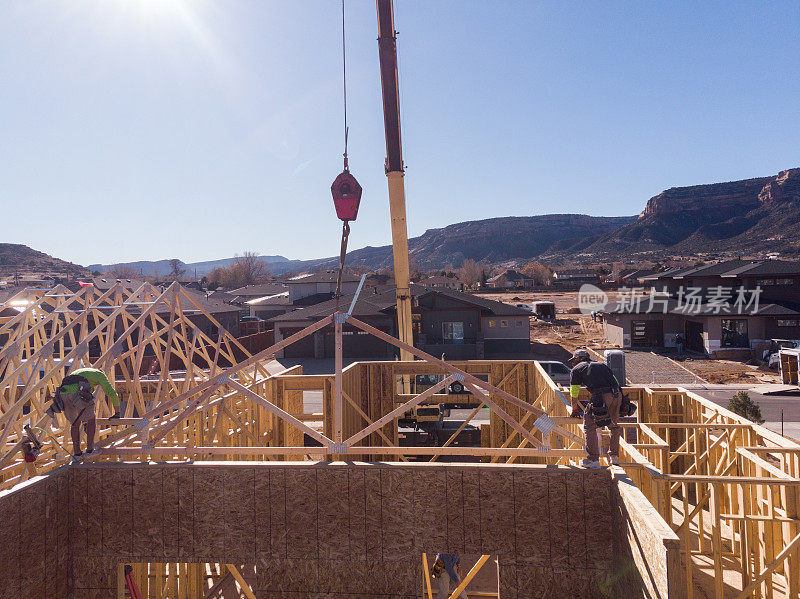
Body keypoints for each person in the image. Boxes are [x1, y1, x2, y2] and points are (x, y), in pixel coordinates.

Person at [48, 367, 120, 459]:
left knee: (75, 423)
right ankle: (90, 451)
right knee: (91, 420)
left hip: (63, 394)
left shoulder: (80, 371)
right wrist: (117, 413)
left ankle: (77, 454)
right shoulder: (100, 375)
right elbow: (112, 393)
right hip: (77, 392)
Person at [568, 349, 622, 469]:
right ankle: (614, 458)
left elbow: (574, 392)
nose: (572, 363)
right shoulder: (602, 365)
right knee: (613, 425)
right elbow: (616, 382)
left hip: (602, 396)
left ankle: (593, 460)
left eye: (573, 360)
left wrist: (574, 409)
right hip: (617, 394)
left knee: (590, 426)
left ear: (578, 359)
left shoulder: (576, 370)